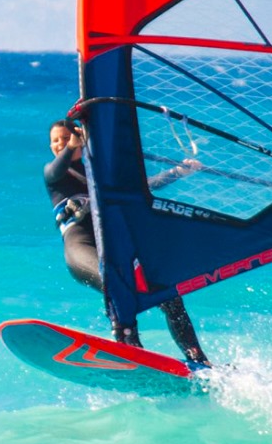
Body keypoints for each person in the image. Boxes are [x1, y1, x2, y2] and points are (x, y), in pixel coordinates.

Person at [44, 117, 211, 368]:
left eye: (65, 138)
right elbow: (56, 169)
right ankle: (130, 346)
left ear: (82, 137)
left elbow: (140, 190)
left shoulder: (101, 173)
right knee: (115, 284)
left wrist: (176, 172)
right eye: (55, 141)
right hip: (81, 250)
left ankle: (199, 360)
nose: (60, 144)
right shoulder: (54, 175)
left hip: (115, 251)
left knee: (170, 297)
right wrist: (71, 146)